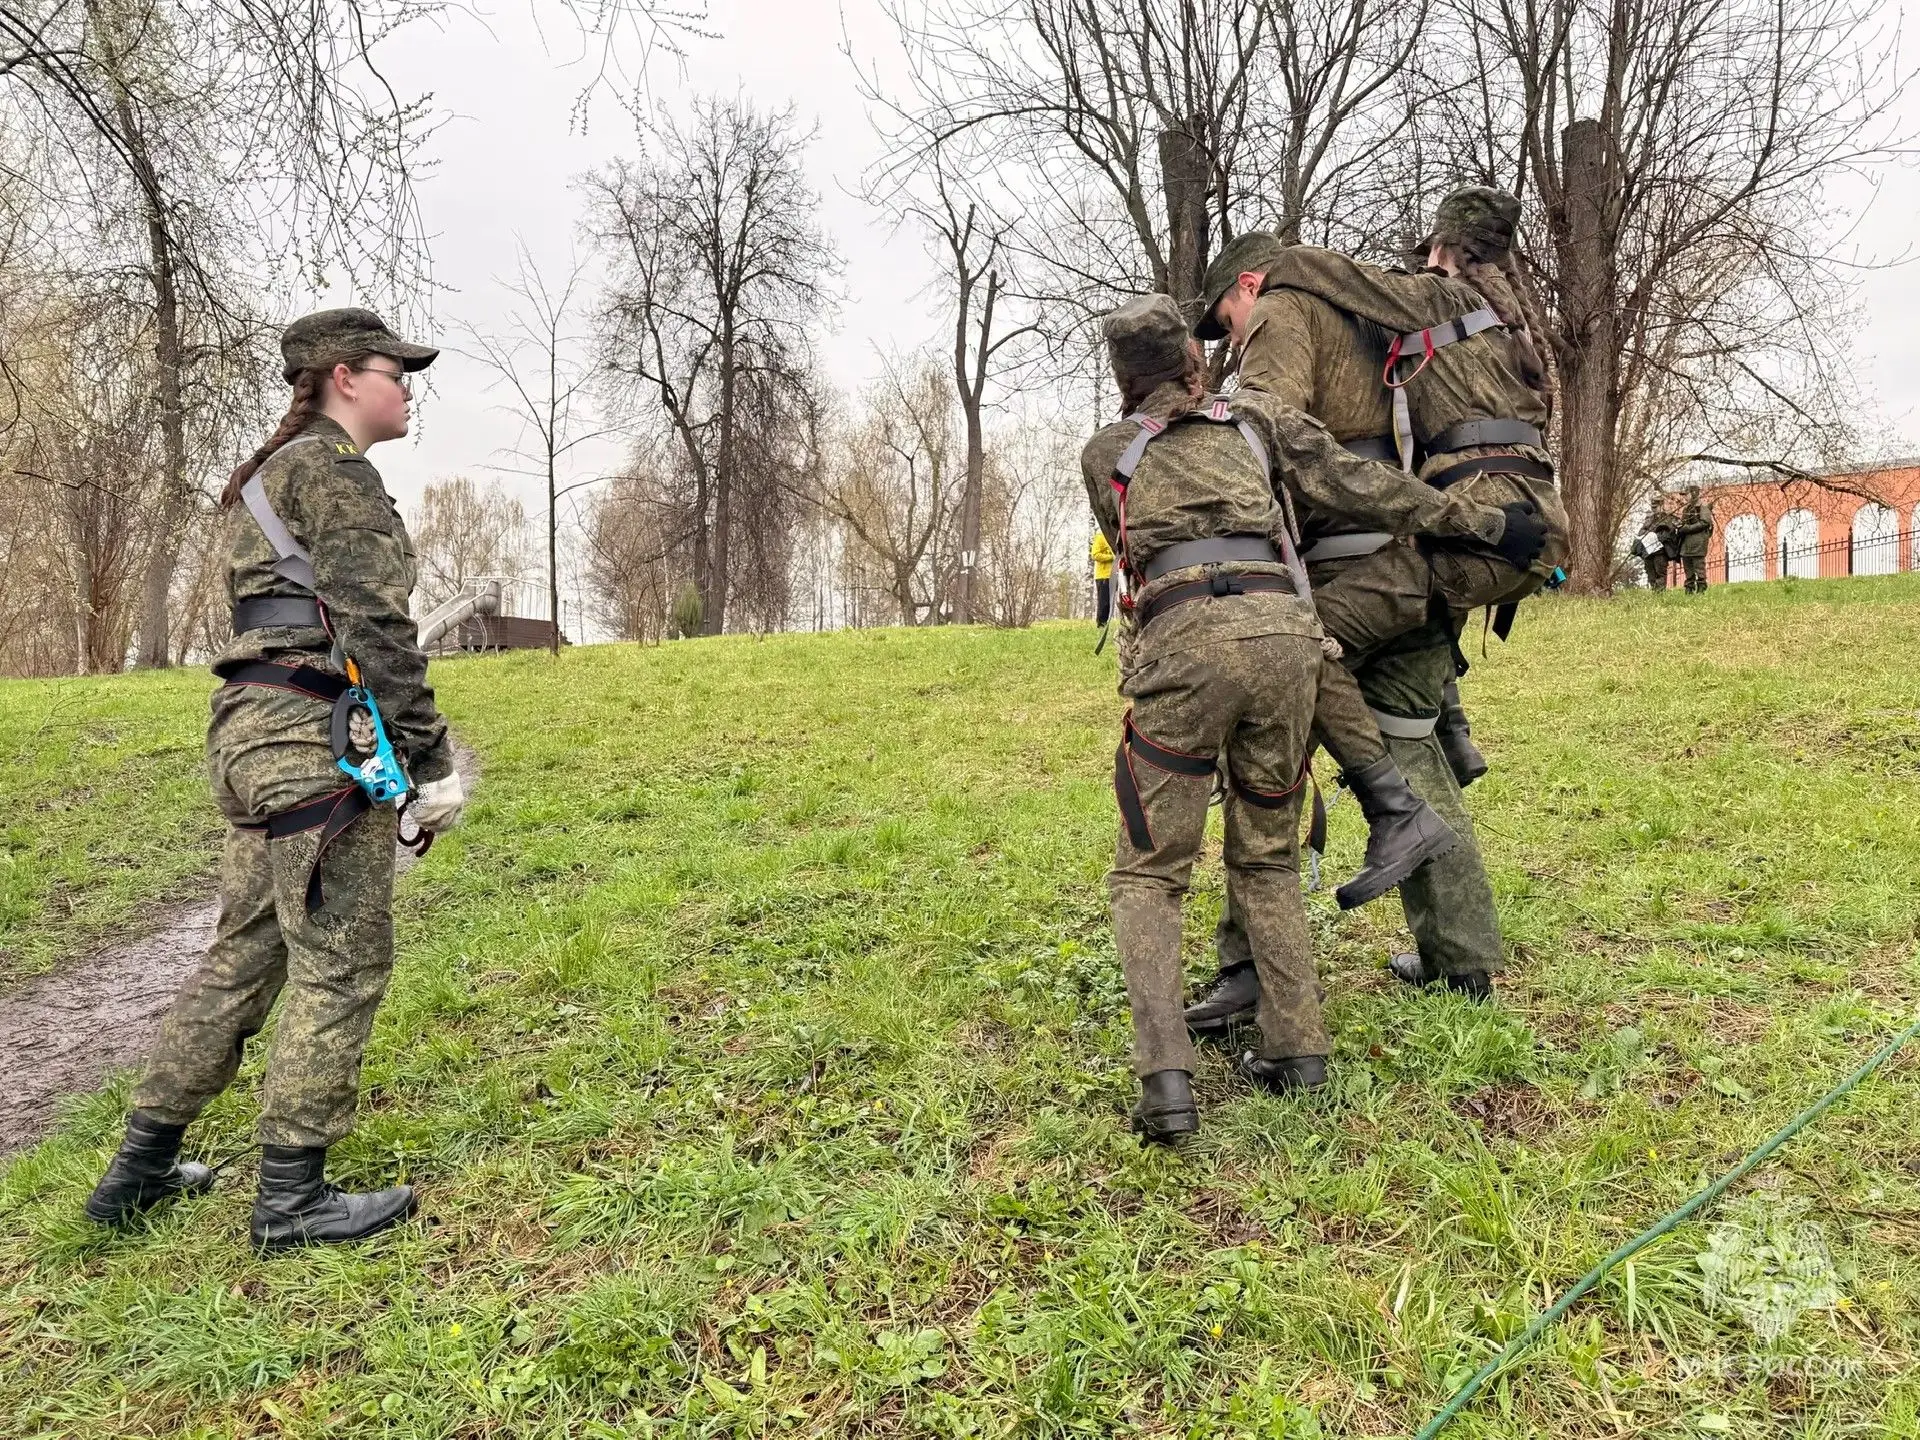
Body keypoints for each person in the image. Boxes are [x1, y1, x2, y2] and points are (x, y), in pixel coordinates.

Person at [85, 308, 469, 1253]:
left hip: (249, 735)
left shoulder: (262, 478)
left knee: (246, 954)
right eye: (397, 371)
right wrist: (430, 762)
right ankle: (292, 1199)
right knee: (342, 960)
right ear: (345, 377)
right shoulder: (334, 472)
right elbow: (375, 626)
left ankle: (138, 1171)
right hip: (311, 742)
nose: (408, 388)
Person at [1184, 192, 1556, 1026]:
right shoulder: (1391, 312)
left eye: (1225, 319)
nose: (1229, 338)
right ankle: (1460, 962)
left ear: (1248, 285)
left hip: (1341, 570)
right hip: (1425, 555)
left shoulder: (1284, 310)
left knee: (1267, 758)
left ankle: (1250, 974)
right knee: (1410, 751)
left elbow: (1265, 440)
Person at [1083, 294, 1336, 1141]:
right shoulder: (1253, 426)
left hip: (1184, 647)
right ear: (1195, 362)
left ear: (1123, 379)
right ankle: (1299, 1053)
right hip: (1285, 640)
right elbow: (1346, 484)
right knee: (1267, 856)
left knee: (1151, 873)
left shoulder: (1108, 453)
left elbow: (1131, 548)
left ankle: (1167, 1087)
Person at [1678, 486, 1714, 592]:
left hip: (1698, 543)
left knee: (1699, 569)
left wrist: (1688, 528)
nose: (1685, 497)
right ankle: (1689, 589)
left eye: (1687, 494)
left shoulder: (1703, 507)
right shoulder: (1686, 509)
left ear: (1693, 493)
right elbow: (1683, 523)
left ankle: (1701, 589)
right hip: (1686, 543)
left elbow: (1705, 522)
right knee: (1688, 569)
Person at [1638, 499, 1680, 591]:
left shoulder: (1668, 518)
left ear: (1661, 506)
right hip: (1648, 552)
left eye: (1655, 507)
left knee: (1660, 573)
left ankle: (1660, 594)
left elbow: (1670, 532)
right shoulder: (1649, 519)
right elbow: (1641, 532)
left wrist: (1657, 536)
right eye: (1652, 507)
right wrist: (1649, 534)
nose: (1654, 509)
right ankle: (1654, 593)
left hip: (1660, 552)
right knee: (1650, 574)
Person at [1091, 529, 1115, 626]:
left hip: (1114, 574)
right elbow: (1095, 555)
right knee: (1104, 601)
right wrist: (1111, 557)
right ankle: (1101, 623)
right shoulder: (1100, 536)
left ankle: (1105, 622)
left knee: (1110, 601)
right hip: (1103, 575)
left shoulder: (1113, 537)